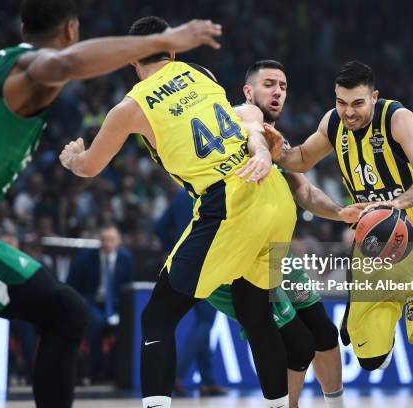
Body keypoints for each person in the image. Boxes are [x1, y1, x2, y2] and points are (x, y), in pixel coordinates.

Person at [0, 0, 222, 406]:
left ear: (23, 28)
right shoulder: (30, 69)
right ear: (71, 31)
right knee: (66, 313)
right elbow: (60, 66)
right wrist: (162, 40)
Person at [60, 15, 297, 408]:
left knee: (158, 317)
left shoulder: (130, 107)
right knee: (256, 314)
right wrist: (258, 146)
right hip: (276, 200)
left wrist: (71, 158)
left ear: (132, 59)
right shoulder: (199, 72)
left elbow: (90, 167)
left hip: (229, 206)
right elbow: (244, 117)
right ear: (172, 50)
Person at [269, 60, 413, 408]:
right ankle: (385, 336)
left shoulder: (397, 118)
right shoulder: (333, 123)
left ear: (374, 97)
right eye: (341, 102)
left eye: (358, 103)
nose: (348, 112)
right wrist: (275, 150)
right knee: (369, 359)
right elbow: (301, 159)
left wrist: (396, 204)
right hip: (373, 248)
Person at [207, 60, 361, 408]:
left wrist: (340, 212)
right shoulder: (238, 119)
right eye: (269, 84)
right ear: (249, 91)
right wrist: (259, 146)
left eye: (284, 86)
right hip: (240, 256)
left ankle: (334, 404)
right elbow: (249, 126)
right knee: (296, 341)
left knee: (323, 332)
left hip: (275, 252)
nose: (278, 91)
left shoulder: (275, 139)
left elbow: (304, 192)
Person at [154, 189, 226, 397]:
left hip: (181, 263)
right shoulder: (216, 190)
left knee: (201, 321)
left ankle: (207, 380)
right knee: (205, 323)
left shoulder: (180, 195)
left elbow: (159, 227)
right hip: (208, 262)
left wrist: (173, 247)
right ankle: (175, 375)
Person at [67, 225, 133, 381]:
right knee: (95, 324)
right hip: (93, 301)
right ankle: (97, 371)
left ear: (119, 241)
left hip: (116, 304)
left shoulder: (126, 258)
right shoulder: (86, 257)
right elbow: (72, 283)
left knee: (127, 326)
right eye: (104, 239)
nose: (107, 243)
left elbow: (128, 286)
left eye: (111, 240)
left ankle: (116, 371)